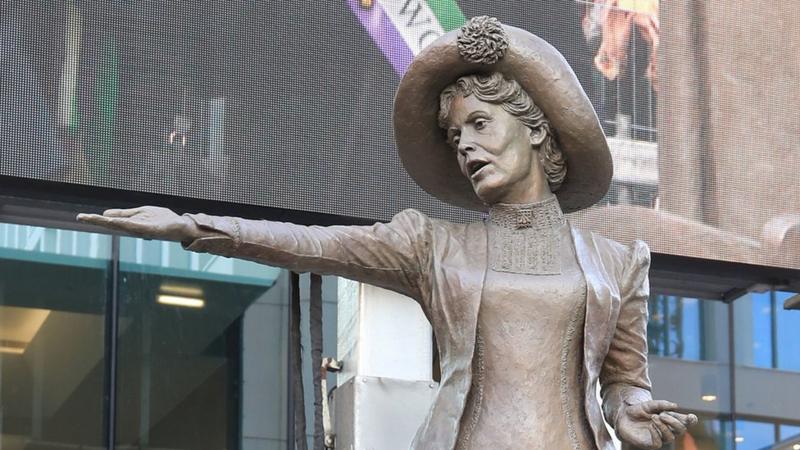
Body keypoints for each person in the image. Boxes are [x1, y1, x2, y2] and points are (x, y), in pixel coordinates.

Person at [79, 16, 696, 450]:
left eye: (480, 124)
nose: (467, 148)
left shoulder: (620, 263)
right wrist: (192, 226)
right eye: (456, 138)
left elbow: (624, 382)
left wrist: (631, 414)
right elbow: (307, 242)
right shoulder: (433, 246)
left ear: (536, 128)